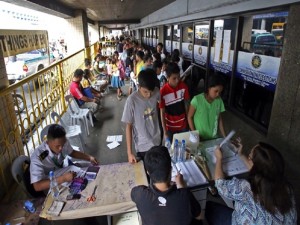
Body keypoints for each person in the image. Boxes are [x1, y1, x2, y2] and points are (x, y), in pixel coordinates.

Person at [205, 141, 297, 225]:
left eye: (249, 156)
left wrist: (219, 158)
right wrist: (241, 154)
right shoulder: (287, 188)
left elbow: (220, 184)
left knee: (209, 208)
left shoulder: (246, 188)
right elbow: (258, 167)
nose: (248, 155)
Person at [131, 146, 202, 225]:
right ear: (171, 170)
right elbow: (199, 216)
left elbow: (133, 194)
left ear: (148, 173)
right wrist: (181, 186)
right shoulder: (185, 195)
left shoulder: (140, 194)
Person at [30, 124, 98, 192]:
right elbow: (37, 186)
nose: (61, 148)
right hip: (49, 183)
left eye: (63, 144)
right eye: (57, 146)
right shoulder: (38, 157)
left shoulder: (62, 141)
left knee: (86, 172)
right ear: (48, 142)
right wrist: (63, 178)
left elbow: (72, 152)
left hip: (63, 170)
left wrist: (89, 157)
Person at [121, 69, 161, 163]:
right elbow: (129, 126)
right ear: (138, 86)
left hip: (157, 140)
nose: (149, 95)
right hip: (142, 145)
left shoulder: (156, 92)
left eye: (151, 91)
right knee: (146, 172)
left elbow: (161, 107)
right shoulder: (132, 101)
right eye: (145, 92)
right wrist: (129, 153)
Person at [187, 75, 226, 140]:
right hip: (200, 137)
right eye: (216, 91)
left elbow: (219, 118)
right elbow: (189, 117)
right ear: (209, 88)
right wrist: (195, 134)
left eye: (220, 92)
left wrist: (225, 137)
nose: (218, 94)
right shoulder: (197, 100)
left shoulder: (219, 101)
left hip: (213, 137)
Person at [159, 62, 190, 142]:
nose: (177, 80)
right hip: (170, 128)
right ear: (167, 77)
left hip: (183, 126)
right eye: (174, 78)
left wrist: (189, 124)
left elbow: (187, 107)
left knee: (185, 149)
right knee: (171, 151)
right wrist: (165, 132)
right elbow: (162, 113)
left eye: (178, 77)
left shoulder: (183, 87)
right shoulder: (163, 92)